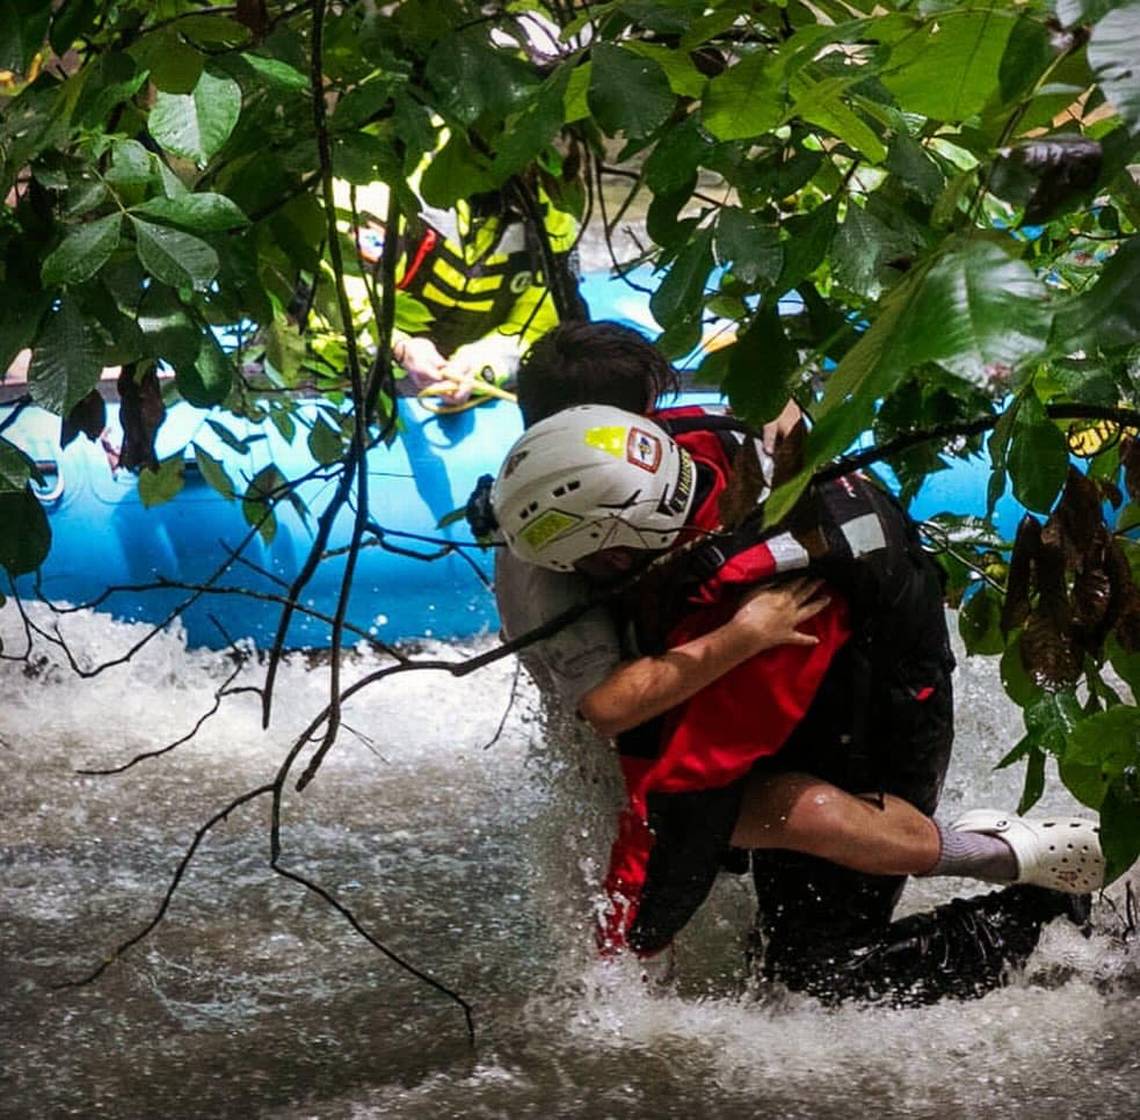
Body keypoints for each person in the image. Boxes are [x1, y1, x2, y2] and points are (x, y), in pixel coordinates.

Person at [489, 322, 1105, 1005]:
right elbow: (616, 717)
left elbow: (681, 774)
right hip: (771, 677)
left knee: (814, 982)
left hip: (867, 692)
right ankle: (987, 854)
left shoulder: (766, 579)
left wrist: (633, 941)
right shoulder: (568, 537)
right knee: (756, 924)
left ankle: (1057, 908)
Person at [308, 173, 582, 406]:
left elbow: (543, 321)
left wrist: (482, 365)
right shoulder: (379, 179)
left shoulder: (553, 205)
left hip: (470, 381)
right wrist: (400, 346)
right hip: (352, 367)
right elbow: (331, 296)